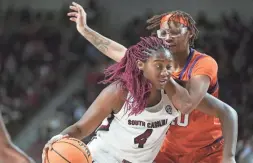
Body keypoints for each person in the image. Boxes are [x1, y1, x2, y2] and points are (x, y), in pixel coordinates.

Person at [67, 2, 229, 162]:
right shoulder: (142, 73)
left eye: (175, 32)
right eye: (163, 33)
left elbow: (191, 105)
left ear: (190, 34)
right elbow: (121, 52)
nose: (168, 37)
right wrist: (85, 30)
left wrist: (230, 157)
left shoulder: (199, 67)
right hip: (163, 148)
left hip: (204, 145)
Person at [43, 36, 237, 163]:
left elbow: (228, 113)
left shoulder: (178, 95)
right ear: (141, 65)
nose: (165, 71)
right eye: (159, 65)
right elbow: (81, 128)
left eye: (169, 66)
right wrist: (57, 140)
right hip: (102, 157)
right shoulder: (119, 92)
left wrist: (229, 157)